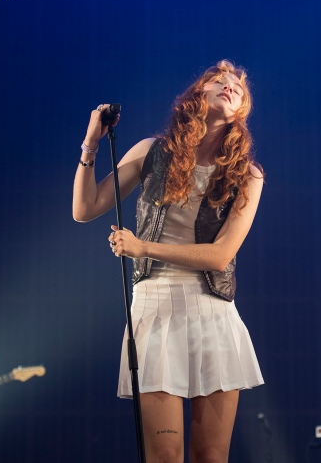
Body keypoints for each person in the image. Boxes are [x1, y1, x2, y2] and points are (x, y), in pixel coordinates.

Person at [72, 59, 265, 462]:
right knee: (164, 455)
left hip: (212, 310)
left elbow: (221, 256)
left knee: (210, 456)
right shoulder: (151, 152)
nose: (230, 86)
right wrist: (91, 143)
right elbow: (85, 208)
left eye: (238, 87)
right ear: (199, 94)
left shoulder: (247, 174)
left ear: (242, 107)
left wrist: (143, 248)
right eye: (219, 80)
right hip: (155, 307)